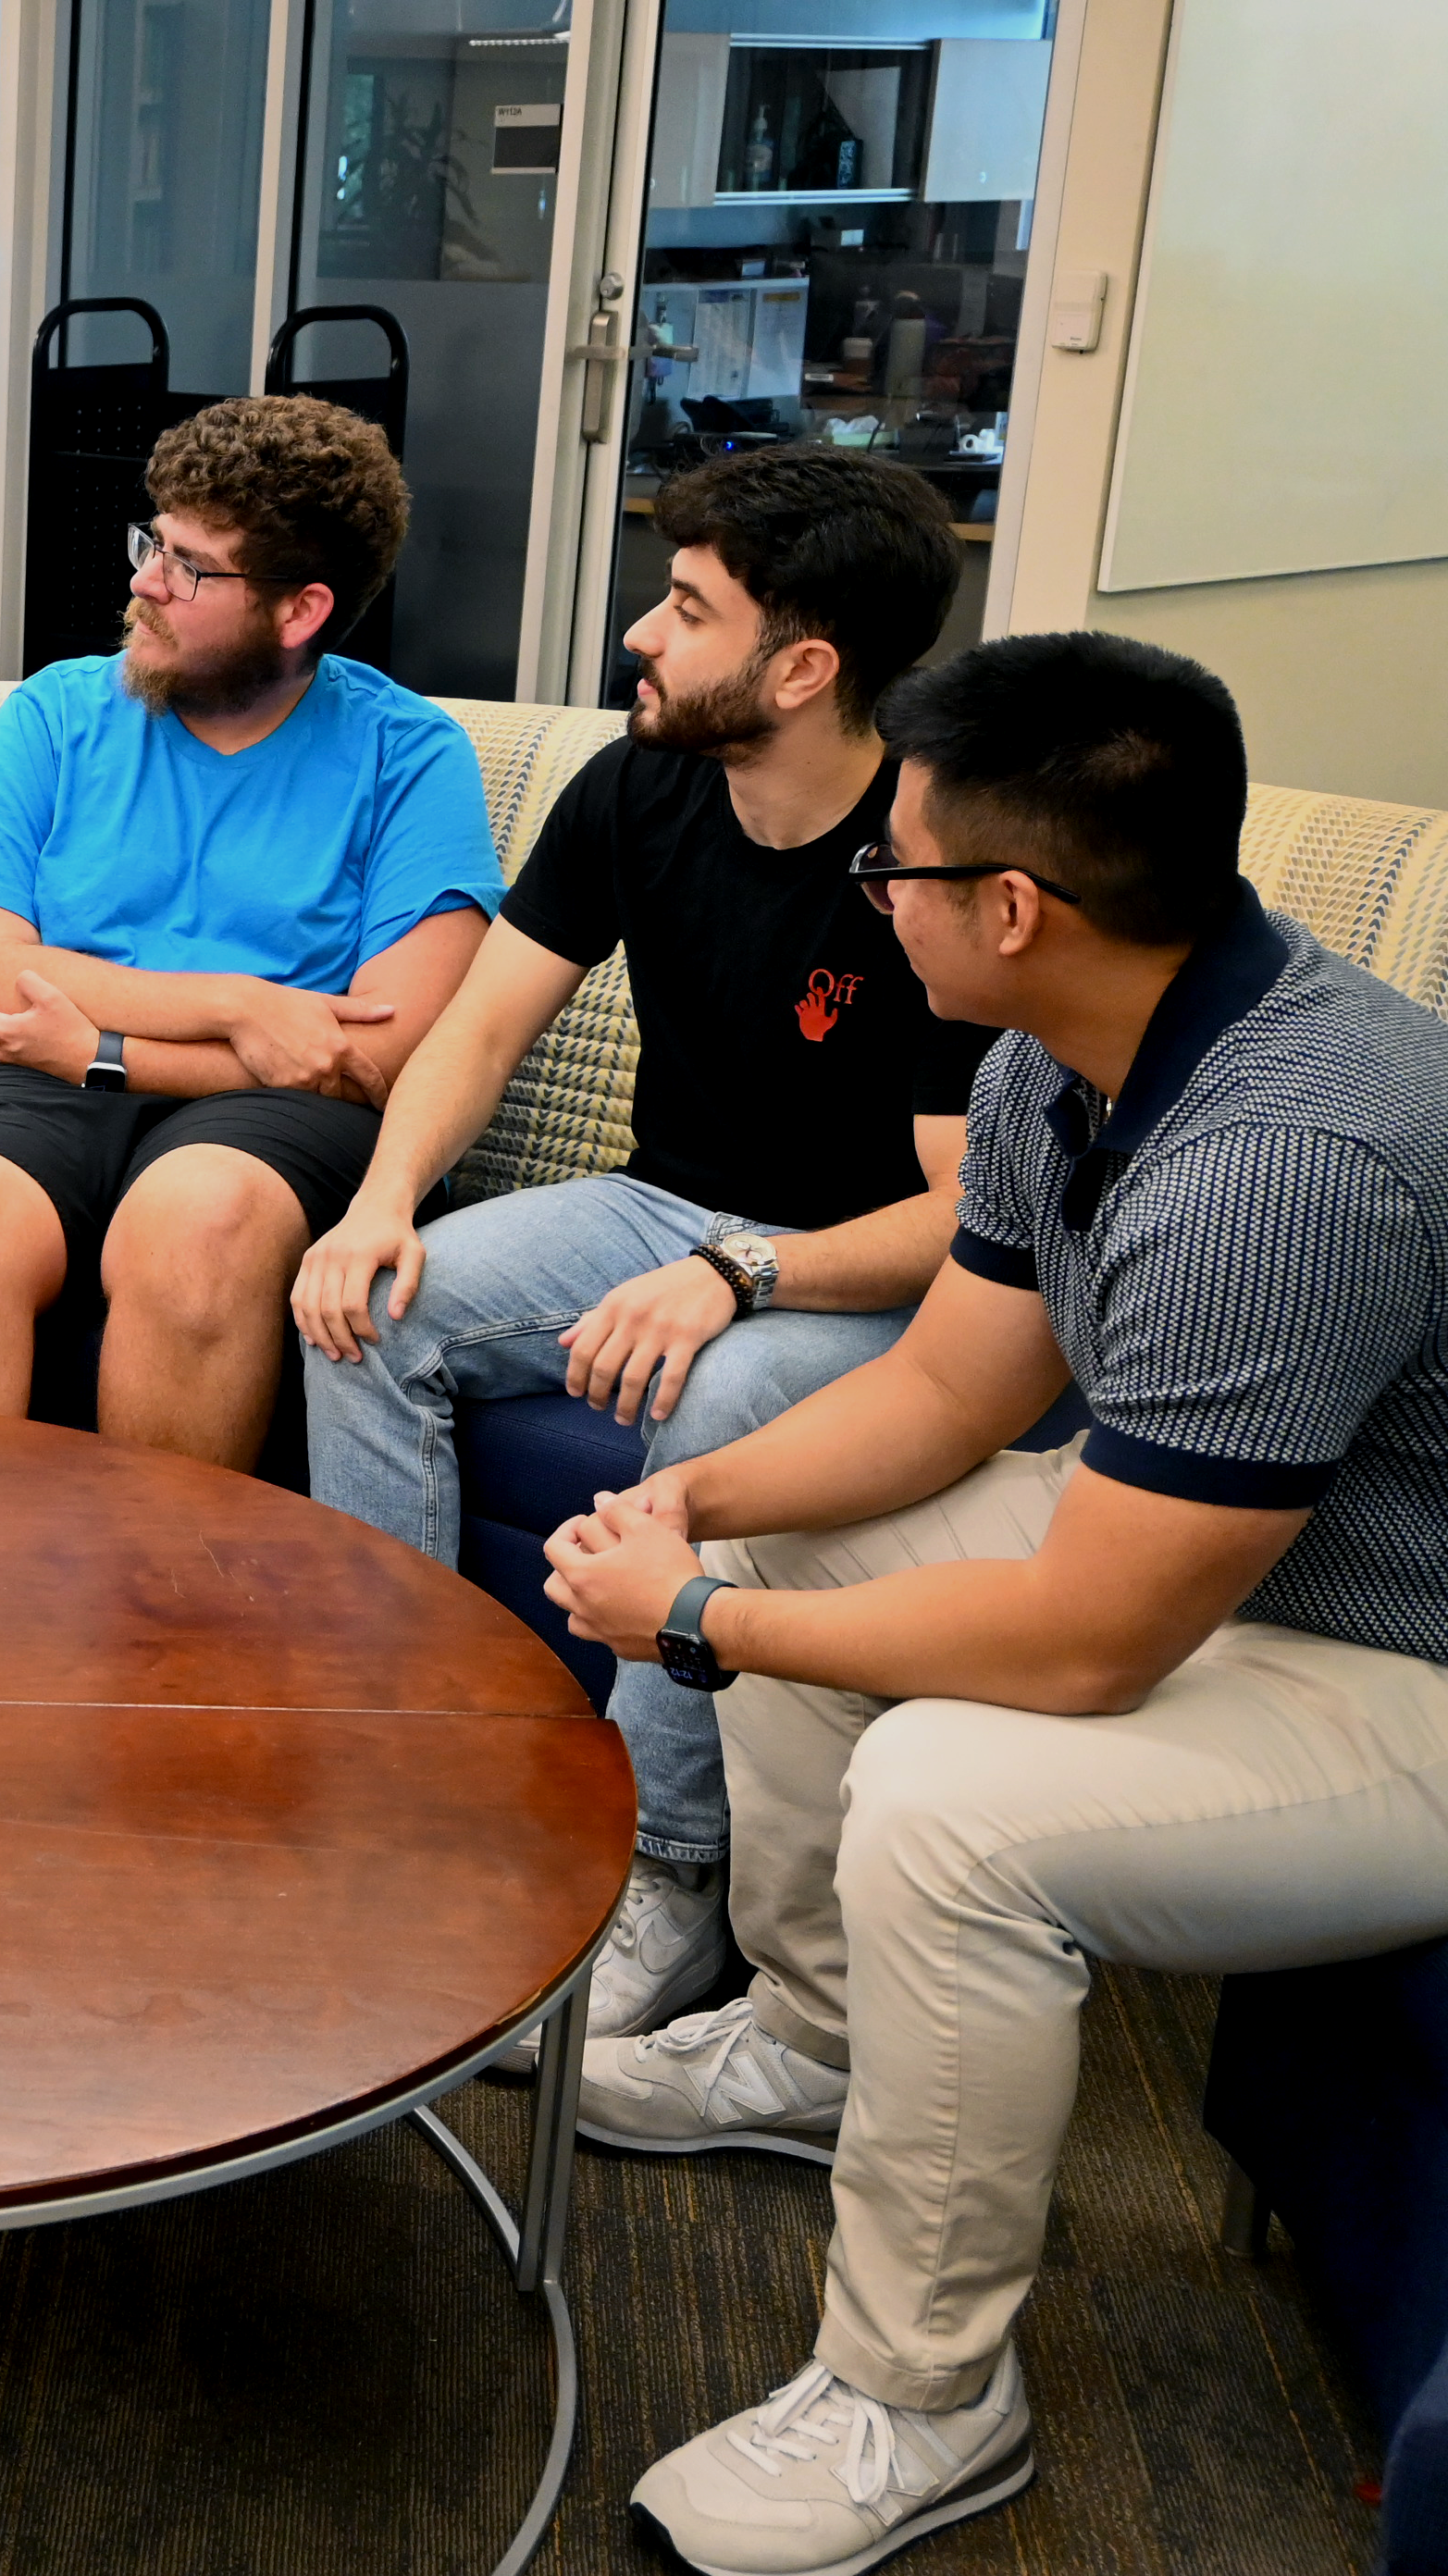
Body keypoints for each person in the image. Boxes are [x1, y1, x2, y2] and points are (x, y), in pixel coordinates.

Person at [540, 634, 1448, 2574]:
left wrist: (696, 1623)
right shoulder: (1068, 1046)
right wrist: (693, 1506)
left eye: (896, 868)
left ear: (1011, 907)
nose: (870, 898)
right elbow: (960, 1392)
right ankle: (816, 2038)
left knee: (952, 1808)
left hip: (1400, 1664)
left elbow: (1081, 1643)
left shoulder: (1290, 1158)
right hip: (1218, 1566)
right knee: (786, 1547)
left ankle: (921, 2400)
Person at [291, 447, 984, 2058]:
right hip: (661, 1204)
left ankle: (667, 1868)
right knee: (373, 1307)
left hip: (865, 1270)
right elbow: (479, 1030)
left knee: (720, 1396)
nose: (637, 636)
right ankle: (409, 1754)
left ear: (802, 668)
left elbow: (964, 1213)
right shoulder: (636, 783)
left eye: (685, 608)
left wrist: (743, 1272)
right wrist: (384, 1199)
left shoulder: (930, 853)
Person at [0, 394, 502, 1466]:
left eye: (190, 567)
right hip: (31, 1081)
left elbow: (380, 1058)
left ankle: (163, 1622)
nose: (144, 580)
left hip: (272, 1128)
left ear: (299, 612)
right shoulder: (56, 712)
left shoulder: (409, 755)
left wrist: (103, 1048)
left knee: (198, 1216)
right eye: (154, 541)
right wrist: (243, 1007)